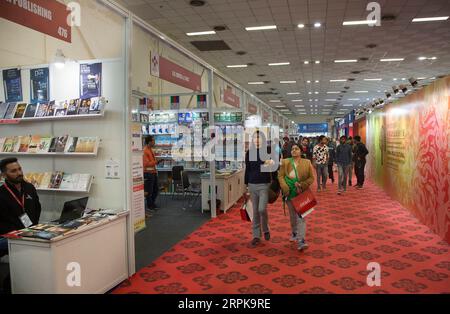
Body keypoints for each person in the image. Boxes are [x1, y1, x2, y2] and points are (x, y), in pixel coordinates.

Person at [0, 158, 42, 251]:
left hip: (31, 231)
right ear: (4, 175)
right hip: (11, 236)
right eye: (13, 171)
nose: (19, 173)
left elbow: (37, 208)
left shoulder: (29, 187)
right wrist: (19, 232)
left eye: (20, 169)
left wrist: (32, 228)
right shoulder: (1, 193)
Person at [278, 144, 314, 251]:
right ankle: (294, 232)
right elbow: (280, 176)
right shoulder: (285, 162)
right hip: (289, 193)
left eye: (296, 149)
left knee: (301, 217)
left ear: (301, 151)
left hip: (302, 194)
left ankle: (301, 240)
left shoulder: (307, 162)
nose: (294, 150)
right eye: (292, 149)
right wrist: (285, 187)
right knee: (293, 217)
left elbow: (311, 178)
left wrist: (302, 184)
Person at [245, 131, 276, 247]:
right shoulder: (249, 152)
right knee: (256, 211)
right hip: (252, 184)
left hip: (264, 184)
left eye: (259, 138)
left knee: (262, 209)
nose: (257, 140)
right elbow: (248, 169)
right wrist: (246, 185)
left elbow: (274, 166)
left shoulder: (268, 150)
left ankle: (266, 228)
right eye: (254, 138)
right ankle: (256, 236)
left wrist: (270, 162)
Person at [143, 136, 159, 212]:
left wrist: (156, 162)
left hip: (153, 172)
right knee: (149, 191)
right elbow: (146, 164)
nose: (154, 142)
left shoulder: (151, 150)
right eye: (153, 141)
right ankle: (150, 205)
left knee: (156, 190)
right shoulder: (145, 151)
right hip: (148, 173)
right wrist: (156, 162)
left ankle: (152, 203)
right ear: (149, 142)